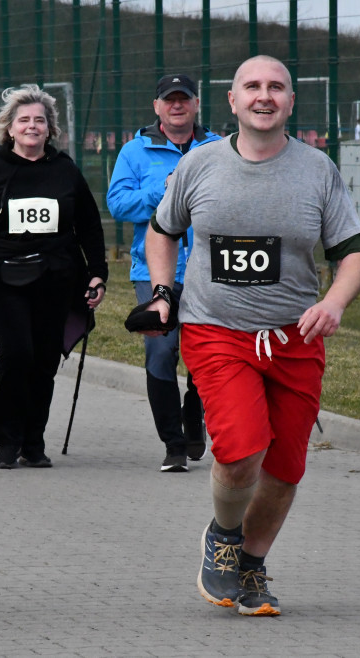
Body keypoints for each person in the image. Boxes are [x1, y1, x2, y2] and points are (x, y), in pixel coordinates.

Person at [135, 55, 360, 616]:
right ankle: (222, 535)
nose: (264, 96)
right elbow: (162, 231)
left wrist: (334, 302)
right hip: (217, 330)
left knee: (286, 466)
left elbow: (355, 253)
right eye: (252, 87)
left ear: (290, 101)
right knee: (242, 451)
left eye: (276, 88)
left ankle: (252, 565)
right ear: (233, 102)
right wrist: (164, 292)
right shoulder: (200, 165)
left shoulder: (317, 170)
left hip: (294, 337)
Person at [0, 84, 108, 470]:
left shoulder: (65, 170)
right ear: (9, 128)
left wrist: (97, 274)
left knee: (44, 361)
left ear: (50, 128)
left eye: (40, 120)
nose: (32, 126)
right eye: (24, 120)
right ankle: (7, 441)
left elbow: (89, 226)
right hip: (5, 279)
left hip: (57, 278)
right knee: (16, 356)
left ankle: (33, 442)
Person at [107, 73, 219, 473]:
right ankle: (173, 444)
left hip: (210, 270)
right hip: (154, 270)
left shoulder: (219, 148)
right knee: (160, 350)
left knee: (207, 353)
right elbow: (118, 204)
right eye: (169, 100)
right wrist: (164, 191)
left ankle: (195, 418)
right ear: (157, 107)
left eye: (184, 99)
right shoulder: (135, 152)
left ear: (196, 104)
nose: (177, 106)